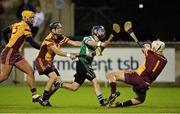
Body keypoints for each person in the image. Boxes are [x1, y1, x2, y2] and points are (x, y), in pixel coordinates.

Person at [106, 40, 168, 107]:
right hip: (145, 84)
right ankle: (120, 105)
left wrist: (146, 46)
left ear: (155, 48)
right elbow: (150, 65)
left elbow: (146, 47)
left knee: (111, 75)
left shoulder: (150, 53)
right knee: (140, 99)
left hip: (137, 78)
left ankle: (113, 94)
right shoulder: (164, 60)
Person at [60, 25, 110, 106]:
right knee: (95, 81)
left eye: (103, 31)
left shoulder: (97, 43)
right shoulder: (88, 38)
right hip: (83, 63)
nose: (103, 32)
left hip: (84, 64)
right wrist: (101, 44)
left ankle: (58, 84)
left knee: (74, 87)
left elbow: (97, 53)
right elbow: (90, 43)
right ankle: (102, 101)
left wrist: (104, 46)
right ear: (95, 31)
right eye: (101, 30)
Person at [35, 22, 81, 106]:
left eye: (60, 28)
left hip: (49, 63)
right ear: (53, 30)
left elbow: (74, 43)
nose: (60, 29)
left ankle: (45, 99)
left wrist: (86, 44)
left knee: (59, 82)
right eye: (58, 28)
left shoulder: (60, 37)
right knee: (53, 77)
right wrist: (69, 55)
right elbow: (57, 51)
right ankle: (43, 99)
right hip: (41, 60)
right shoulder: (48, 39)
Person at [0, 10, 41, 103]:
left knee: (30, 71)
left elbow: (4, 31)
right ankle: (34, 95)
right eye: (31, 17)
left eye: (33, 17)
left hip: (14, 53)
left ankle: (34, 95)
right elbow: (31, 42)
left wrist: (7, 43)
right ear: (26, 18)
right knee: (4, 76)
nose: (33, 19)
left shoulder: (16, 24)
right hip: (10, 52)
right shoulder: (25, 26)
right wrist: (43, 49)